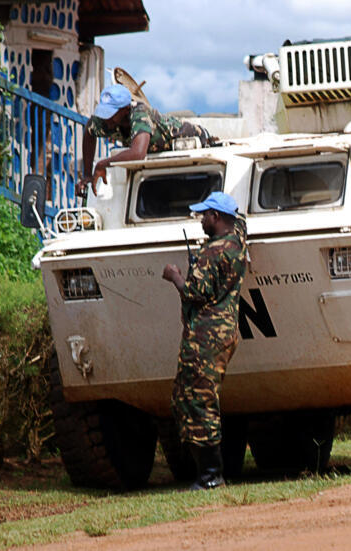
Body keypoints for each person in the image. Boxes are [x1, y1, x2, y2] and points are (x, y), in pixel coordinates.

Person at [161, 191, 247, 490]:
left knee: (199, 400)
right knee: (187, 396)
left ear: (218, 217)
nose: (202, 220)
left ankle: (211, 475)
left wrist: (174, 276)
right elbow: (242, 222)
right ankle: (209, 469)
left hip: (205, 335)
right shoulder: (237, 241)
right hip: (222, 333)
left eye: (206, 215)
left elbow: (195, 293)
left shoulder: (212, 254)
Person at [76, 84, 212, 197]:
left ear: (125, 109)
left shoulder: (139, 113)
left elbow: (138, 153)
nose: (106, 118)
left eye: (111, 113)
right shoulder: (109, 121)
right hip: (156, 151)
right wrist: (87, 174)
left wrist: (102, 164)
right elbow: (89, 130)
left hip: (189, 138)